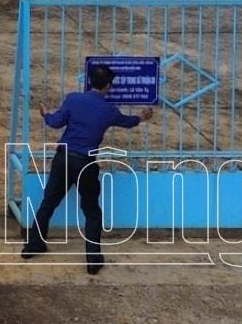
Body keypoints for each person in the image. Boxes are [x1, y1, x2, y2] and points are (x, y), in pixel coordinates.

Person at [21, 63, 155, 274]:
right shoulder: (109, 110)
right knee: (91, 211)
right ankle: (93, 259)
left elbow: (56, 122)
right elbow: (127, 122)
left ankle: (33, 244)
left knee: (48, 202)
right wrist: (142, 117)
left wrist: (45, 114)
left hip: (63, 159)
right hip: (86, 163)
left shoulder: (74, 99)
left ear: (89, 81)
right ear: (108, 86)